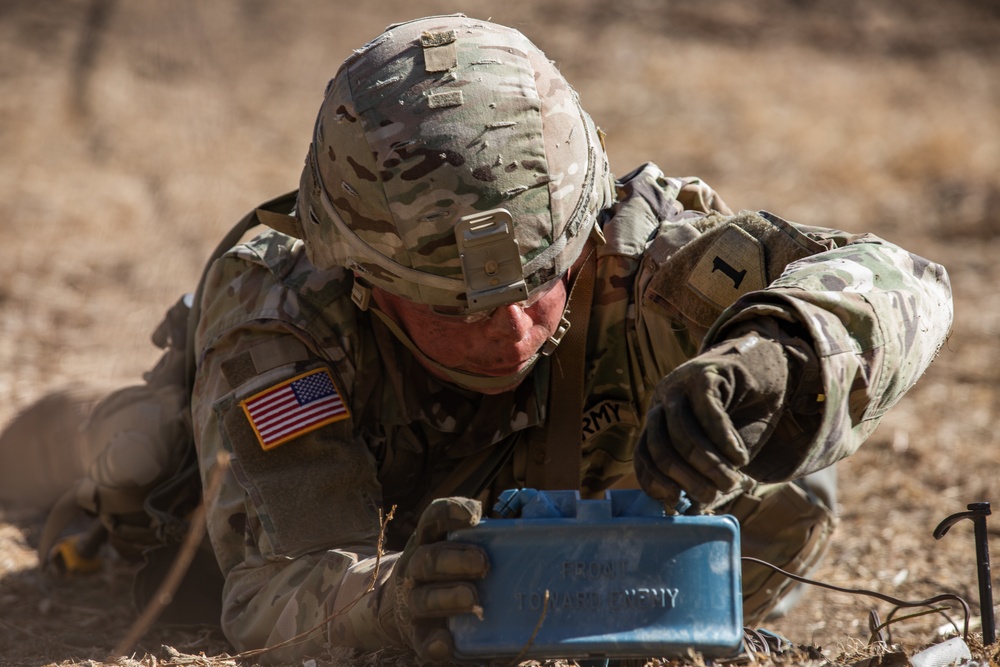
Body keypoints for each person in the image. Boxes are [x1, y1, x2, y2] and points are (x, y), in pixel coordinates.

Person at [185, 14, 952, 663]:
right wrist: (387, 601)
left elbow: (906, 279)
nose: (512, 331)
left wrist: (776, 351)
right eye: (458, 309)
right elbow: (270, 590)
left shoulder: (645, 258)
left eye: (539, 279)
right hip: (339, 522)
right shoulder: (283, 325)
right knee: (129, 458)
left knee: (789, 471)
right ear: (367, 282)